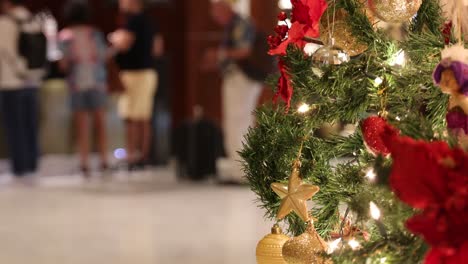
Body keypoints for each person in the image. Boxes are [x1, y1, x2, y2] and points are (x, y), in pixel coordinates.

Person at [205, 0, 262, 183]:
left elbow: (244, 50)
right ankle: (238, 168)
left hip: (242, 79)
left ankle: (242, 171)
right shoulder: (234, 24)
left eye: (215, 9)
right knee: (237, 121)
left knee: (239, 121)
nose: (213, 14)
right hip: (237, 78)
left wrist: (219, 55)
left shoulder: (240, 23)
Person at [109, 0, 163, 170]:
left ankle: (132, 155)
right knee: (143, 116)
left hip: (134, 73)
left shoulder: (133, 21)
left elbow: (123, 44)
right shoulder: (151, 21)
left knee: (131, 117)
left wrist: (113, 39)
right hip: (148, 73)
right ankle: (143, 155)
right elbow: (158, 49)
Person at [58, 1, 109, 177]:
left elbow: (63, 64)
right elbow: (103, 55)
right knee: (99, 123)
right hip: (97, 81)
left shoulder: (65, 36)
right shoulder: (94, 33)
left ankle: (84, 162)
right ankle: (103, 160)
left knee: (82, 126)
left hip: (77, 83)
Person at [0, 0, 44, 178]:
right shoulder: (33, 20)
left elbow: (5, 51)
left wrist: (19, 70)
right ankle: (33, 163)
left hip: (11, 82)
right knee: (31, 125)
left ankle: (20, 167)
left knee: (15, 126)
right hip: (32, 81)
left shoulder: (5, 22)